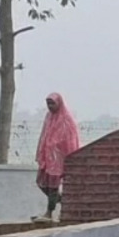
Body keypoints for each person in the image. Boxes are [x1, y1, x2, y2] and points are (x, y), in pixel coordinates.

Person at [34, 93, 81, 222]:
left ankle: (49, 212)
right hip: (48, 156)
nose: (50, 106)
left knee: (53, 187)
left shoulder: (66, 119)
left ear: (59, 103)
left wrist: (59, 148)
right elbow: (44, 134)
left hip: (60, 158)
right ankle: (63, 201)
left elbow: (71, 138)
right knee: (41, 183)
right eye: (48, 104)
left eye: (52, 103)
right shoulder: (49, 117)